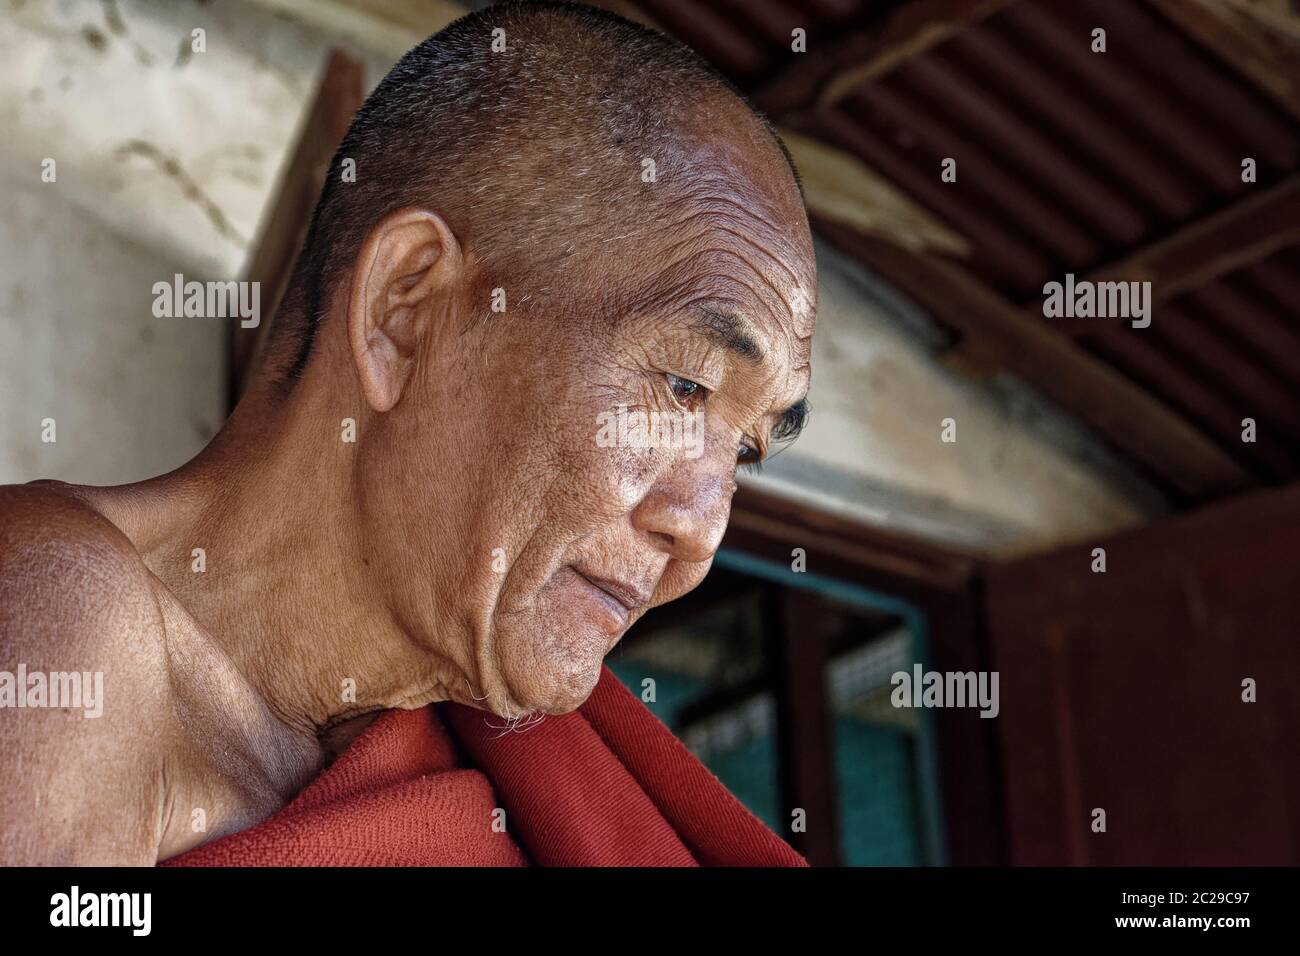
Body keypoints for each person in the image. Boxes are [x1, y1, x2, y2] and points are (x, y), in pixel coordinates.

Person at [0, 1, 814, 865]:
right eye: (685, 385)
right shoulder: (71, 628)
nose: (699, 532)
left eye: (748, 452)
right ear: (404, 308)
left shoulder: (497, 773)